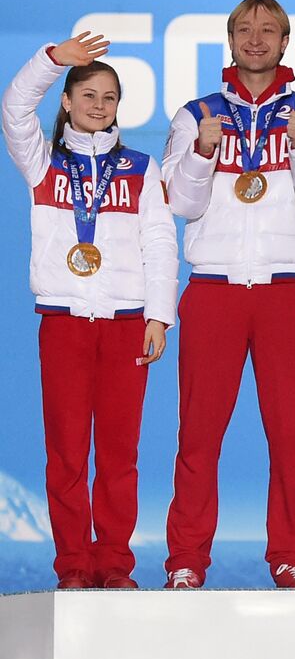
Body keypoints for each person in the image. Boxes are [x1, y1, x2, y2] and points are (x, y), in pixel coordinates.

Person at [162, 0, 295, 589]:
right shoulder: (196, 115)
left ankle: (291, 555)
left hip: (286, 290)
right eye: (245, 29)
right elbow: (181, 205)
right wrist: (199, 154)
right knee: (197, 434)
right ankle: (186, 560)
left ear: (285, 41)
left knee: (292, 434)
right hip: (214, 288)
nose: (255, 38)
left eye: (268, 29)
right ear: (230, 39)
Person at [2, 32, 177, 589]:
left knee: (121, 455)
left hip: (127, 324)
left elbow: (160, 241)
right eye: (89, 94)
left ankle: (114, 565)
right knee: (68, 453)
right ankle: (74, 566)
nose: (99, 105)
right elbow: (13, 106)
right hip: (64, 322)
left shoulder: (142, 169)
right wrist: (53, 60)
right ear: (67, 101)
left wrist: (159, 315)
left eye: (109, 97)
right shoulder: (41, 162)